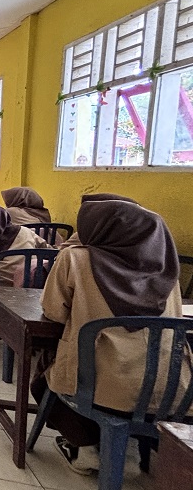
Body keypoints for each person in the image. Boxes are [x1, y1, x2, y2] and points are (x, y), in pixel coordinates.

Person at [31, 200, 188, 475]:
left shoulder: (75, 258)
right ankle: (128, 448)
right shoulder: (166, 269)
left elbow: (53, 311)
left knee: (48, 375)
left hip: (102, 388)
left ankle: (85, 447)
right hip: (174, 389)